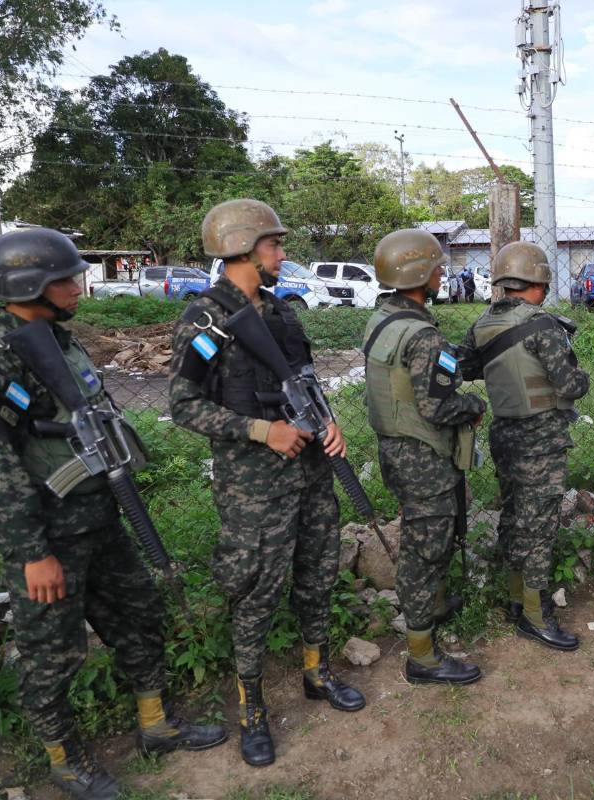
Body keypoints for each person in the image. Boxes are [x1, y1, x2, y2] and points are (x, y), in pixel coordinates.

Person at [0, 228, 225, 799]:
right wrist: (33, 554)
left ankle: (157, 723)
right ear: (30, 284)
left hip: (99, 516)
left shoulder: (60, 341)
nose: (79, 286)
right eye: (65, 278)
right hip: (49, 533)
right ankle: (64, 758)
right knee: (52, 654)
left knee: (138, 615)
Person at [169, 199, 363, 768]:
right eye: (274, 244)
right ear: (244, 248)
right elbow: (182, 405)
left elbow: (303, 380)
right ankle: (251, 707)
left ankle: (316, 672)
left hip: (311, 474)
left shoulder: (281, 313)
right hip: (253, 488)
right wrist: (261, 430)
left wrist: (330, 423)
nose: (283, 253)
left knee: (317, 574)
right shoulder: (205, 319)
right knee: (255, 594)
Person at [363, 228, 487, 684]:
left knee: (428, 536)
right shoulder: (423, 335)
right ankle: (422, 654)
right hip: (422, 453)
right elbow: (437, 405)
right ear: (420, 273)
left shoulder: (383, 320)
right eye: (437, 266)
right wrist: (474, 405)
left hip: (395, 446)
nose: (442, 272)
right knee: (425, 547)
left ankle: (433, 605)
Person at [459, 241, 590, 651]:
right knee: (540, 527)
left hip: (505, 435)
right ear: (539, 282)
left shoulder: (481, 325)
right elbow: (571, 385)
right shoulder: (544, 325)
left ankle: (517, 600)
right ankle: (536, 614)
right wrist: (581, 376)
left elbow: (465, 368)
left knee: (515, 516)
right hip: (541, 440)